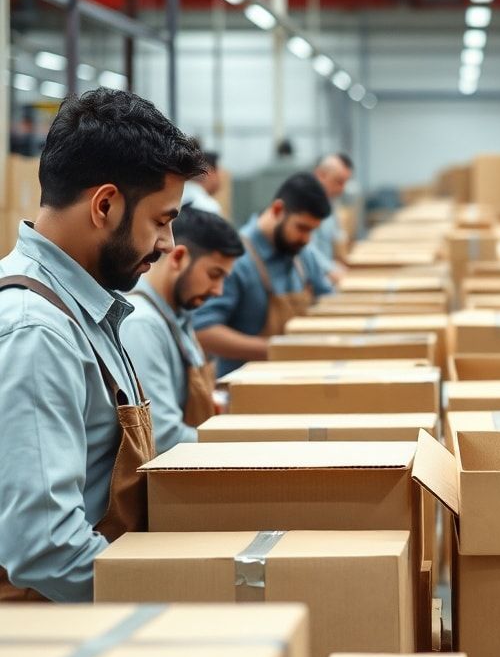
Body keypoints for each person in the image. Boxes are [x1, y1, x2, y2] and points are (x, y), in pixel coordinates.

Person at [0, 88, 207, 601]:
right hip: (51, 637)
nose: (168, 244)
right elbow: (46, 548)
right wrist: (183, 605)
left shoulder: (88, 310)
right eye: (161, 220)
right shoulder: (37, 331)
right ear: (106, 204)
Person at [121, 206, 244, 452]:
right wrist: (241, 446)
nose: (218, 291)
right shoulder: (143, 325)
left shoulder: (179, 315)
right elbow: (164, 437)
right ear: (178, 258)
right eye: (214, 274)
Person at [193, 171, 333, 377]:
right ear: (278, 210)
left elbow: (325, 301)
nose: (306, 238)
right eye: (302, 228)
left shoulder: (302, 253)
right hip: (247, 391)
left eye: (312, 230)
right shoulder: (237, 259)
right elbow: (203, 330)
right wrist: (275, 350)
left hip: (299, 380)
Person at [309, 152, 354, 284]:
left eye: (345, 182)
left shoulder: (330, 203)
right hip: (312, 279)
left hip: (325, 277)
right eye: (339, 182)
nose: (342, 189)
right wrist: (330, 269)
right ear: (320, 175)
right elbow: (306, 249)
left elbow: (337, 236)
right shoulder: (306, 204)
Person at [181, 150, 224, 216]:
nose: (220, 177)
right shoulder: (209, 207)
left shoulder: (174, 199)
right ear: (207, 172)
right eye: (218, 171)